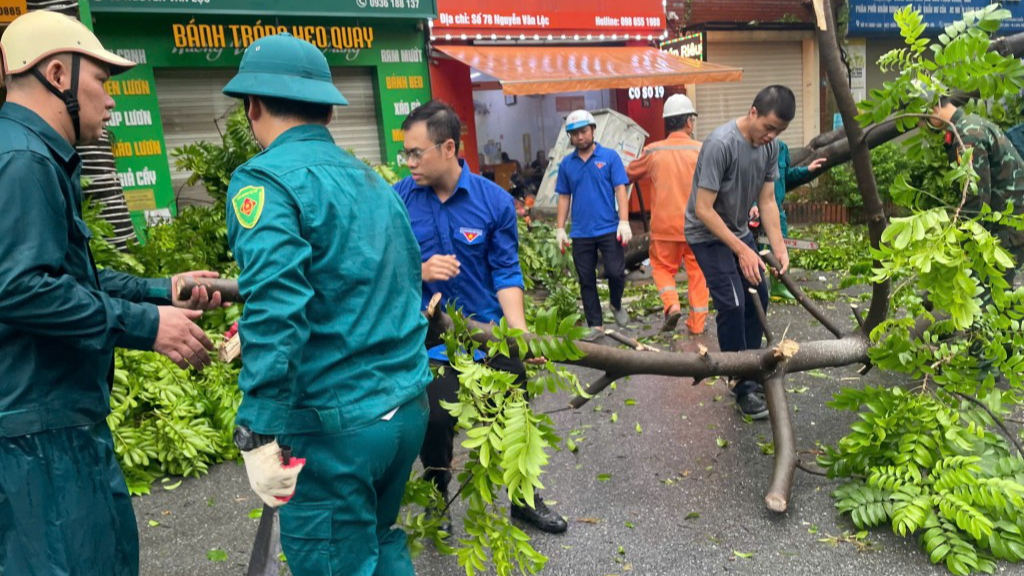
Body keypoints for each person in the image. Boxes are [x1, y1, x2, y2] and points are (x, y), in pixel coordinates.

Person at [0, 11, 221, 576]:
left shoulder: (33, 154)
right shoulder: (23, 161)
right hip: (43, 435)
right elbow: (20, 289)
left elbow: (66, 280)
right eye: (101, 81)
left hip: (53, 426)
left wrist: (162, 291)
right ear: (56, 74)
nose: (111, 100)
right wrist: (149, 326)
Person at [221, 33, 432, 576]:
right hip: (404, 410)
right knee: (379, 542)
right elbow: (386, 282)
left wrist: (258, 430)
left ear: (253, 106)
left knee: (336, 561)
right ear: (327, 112)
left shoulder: (264, 180)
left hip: (336, 430)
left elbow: (277, 300)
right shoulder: (374, 181)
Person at [394, 100, 569, 534]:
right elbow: (378, 266)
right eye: (406, 153)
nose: (409, 162)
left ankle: (524, 500)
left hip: (487, 332)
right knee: (434, 421)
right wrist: (419, 271)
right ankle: (438, 500)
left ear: (448, 147)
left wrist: (521, 334)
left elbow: (507, 271)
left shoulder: (493, 202)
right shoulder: (397, 200)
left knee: (514, 414)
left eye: (417, 152)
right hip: (431, 340)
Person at [683, 85, 795, 420]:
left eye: (778, 131)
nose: (771, 136)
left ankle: (752, 367)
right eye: (768, 127)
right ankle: (740, 383)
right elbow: (703, 209)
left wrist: (778, 248)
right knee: (732, 301)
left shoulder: (770, 147)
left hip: (739, 231)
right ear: (753, 113)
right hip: (706, 233)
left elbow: (767, 201)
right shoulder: (721, 144)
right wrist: (742, 251)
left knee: (759, 292)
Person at [626, 94, 710, 334]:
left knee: (662, 269)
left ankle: (672, 304)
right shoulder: (702, 150)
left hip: (664, 228)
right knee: (698, 274)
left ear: (666, 122)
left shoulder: (654, 151)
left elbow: (628, 173)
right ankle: (697, 325)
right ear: (689, 122)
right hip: (697, 225)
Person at [555, 109, 632, 338]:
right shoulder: (567, 165)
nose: (580, 137)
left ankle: (616, 303)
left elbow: (620, 189)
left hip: (609, 227)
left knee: (616, 272)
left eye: (584, 131)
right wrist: (560, 228)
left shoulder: (610, 158)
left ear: (593, 131)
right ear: (569, 136)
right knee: (585, 278)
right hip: (581, 232)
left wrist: (624, 221)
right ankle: (595, 325)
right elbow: (564, 196)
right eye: (575, 133)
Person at [750, 141, 826, 300]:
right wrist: (752, 204)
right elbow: (746, 179)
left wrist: (807, 170)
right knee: (752, 250)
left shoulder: (782, 148)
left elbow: (786, 177)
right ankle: (752, 288)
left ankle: (779, 286)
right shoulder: (752, 147)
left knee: (781, 246)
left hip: (777, 208)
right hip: (754, 209)